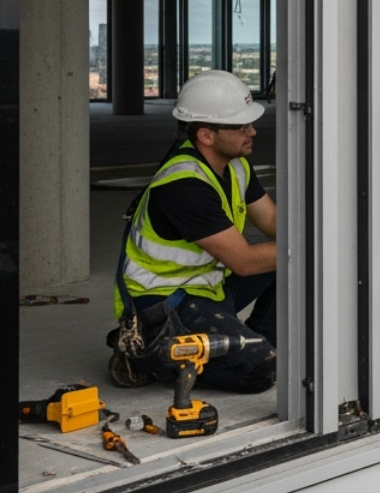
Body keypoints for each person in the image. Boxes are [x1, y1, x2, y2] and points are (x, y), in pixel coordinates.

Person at [109, 70, 279, 392]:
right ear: (206, 135)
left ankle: (256, 341)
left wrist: (321, 229)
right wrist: (318, 245)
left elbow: (271, 222)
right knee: (258, 371)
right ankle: (148, 356)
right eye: (241, 126)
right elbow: (243, 261)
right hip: (166, 303)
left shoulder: (235, 164)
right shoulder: (185, 185)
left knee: (290, 261)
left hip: (207, 287)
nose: (252, 131)